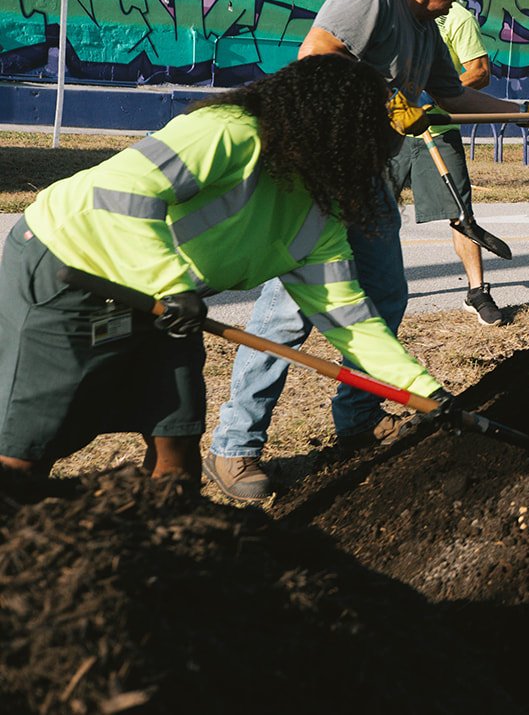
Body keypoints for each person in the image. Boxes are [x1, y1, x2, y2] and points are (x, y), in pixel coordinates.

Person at [206, 0, 529, 501]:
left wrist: (528, 113)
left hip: (367, 176)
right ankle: (234, 445)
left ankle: (358, 419)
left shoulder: (426, 28)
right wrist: (384, 98)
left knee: (385, 295)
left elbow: (455, 96)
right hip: (321, 171)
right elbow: (315, 56)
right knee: (287, 314)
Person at [0, 55, 451, 485]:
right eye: (366, 153)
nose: (371, 170)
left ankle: (173, 532)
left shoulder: (321, 218)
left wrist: (428, 393)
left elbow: (350, 320)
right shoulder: (229, 131)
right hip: (71, 269)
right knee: (28, 448)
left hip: (168, 301)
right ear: (333, 135)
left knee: (176, 440)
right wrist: (171, 286)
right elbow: (123, 193)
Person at [387, 0, 508, 326]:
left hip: (437, 128)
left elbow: (479, 72)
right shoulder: (392, 12)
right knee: (370, 208)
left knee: (460, 214)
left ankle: (476, 292)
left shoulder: (457, 17)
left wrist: (431, 95)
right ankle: (352, 285)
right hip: (389, 131)